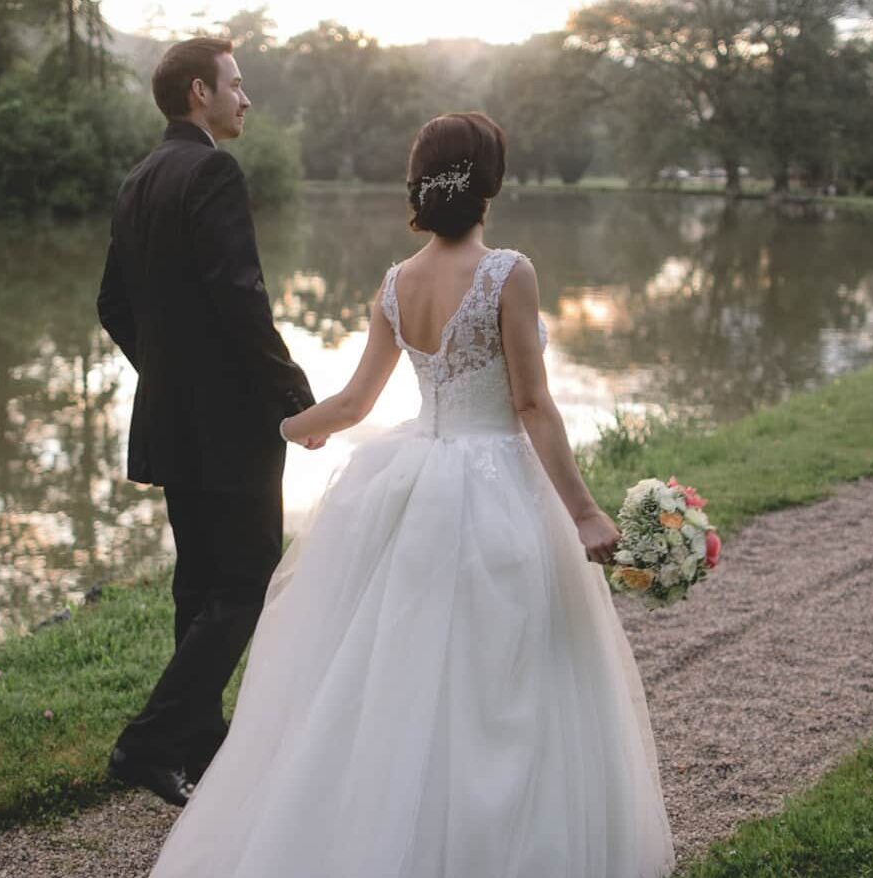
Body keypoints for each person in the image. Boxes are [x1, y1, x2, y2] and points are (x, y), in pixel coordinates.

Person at [146, 112, 675, 878]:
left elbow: (357, 402)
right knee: (506, 673)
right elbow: (531, 406)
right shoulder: (508, 272)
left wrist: (290, 426)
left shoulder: (396, 281)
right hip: (497, 488)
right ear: (486, 183)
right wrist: (585, 511)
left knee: (406, 670)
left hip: (413, 485)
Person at [96, 37, 316, 807]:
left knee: (199, 585)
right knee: (247, 579)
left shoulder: (138, 178)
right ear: (200, 93)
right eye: (236, 84)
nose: (246, 98)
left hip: (171, 419)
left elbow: (111, 307)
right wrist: (295, 396)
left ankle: (195, 743)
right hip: (228, 424)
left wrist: (168, 376)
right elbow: (239, 295)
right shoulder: (212, 170)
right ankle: (148, 742)